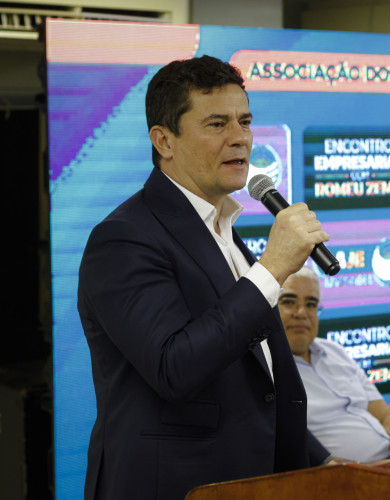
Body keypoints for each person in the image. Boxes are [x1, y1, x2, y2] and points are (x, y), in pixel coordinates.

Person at [77, 56, 331, 500]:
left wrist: (318, 459)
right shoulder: (122, 239)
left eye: (245, 121)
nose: (240, 138)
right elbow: (175, 366)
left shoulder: (223, 230)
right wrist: (271, 270)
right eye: (217, 124)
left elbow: (261, 381)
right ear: (164, 140)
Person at [279, 267, 390, 462]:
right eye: (289, 302)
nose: (301, 313)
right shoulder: (270, 370)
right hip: (348, 480)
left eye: (311, 304)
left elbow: (386, 416)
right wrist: (376, 471)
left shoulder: (335, 351)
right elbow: (307, 456)